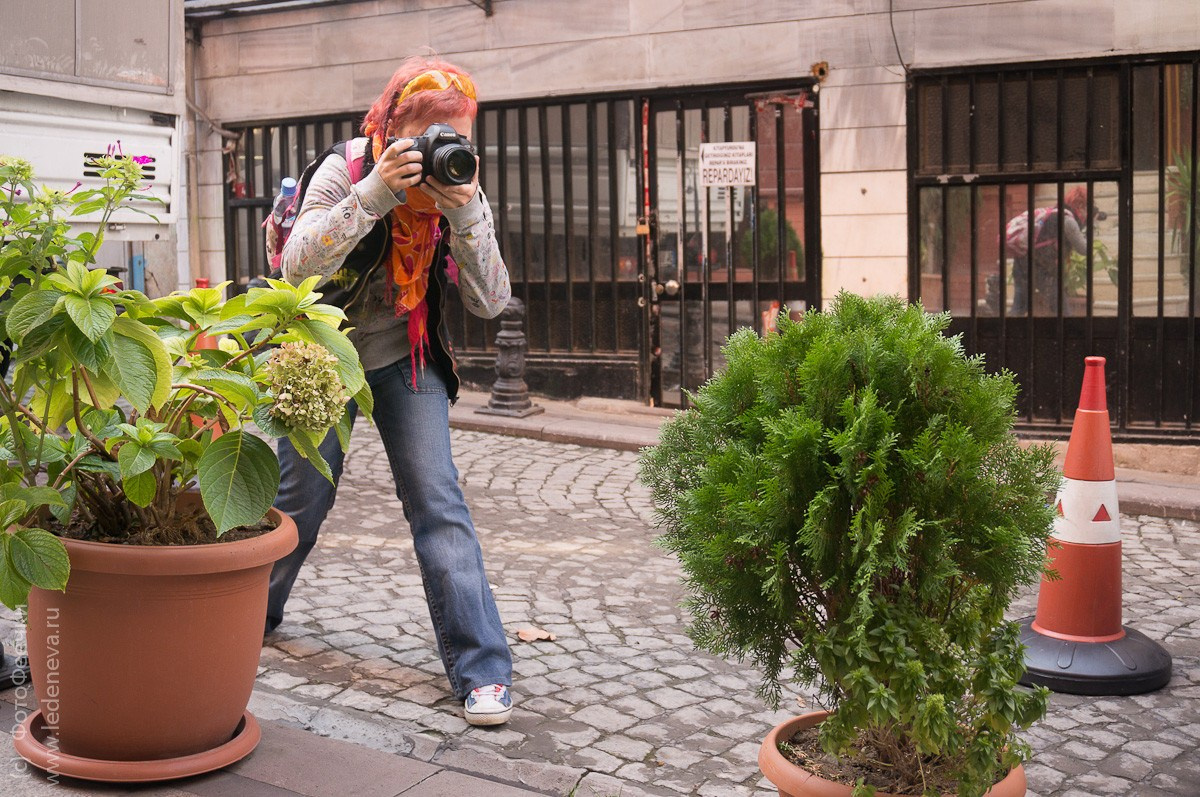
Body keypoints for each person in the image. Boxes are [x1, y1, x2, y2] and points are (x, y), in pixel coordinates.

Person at [266, 56, 515, 727]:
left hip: (408, 354)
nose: (442, 150)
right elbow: (295, 265)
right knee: (300, 499)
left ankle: (483, 669)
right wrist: (375, 192)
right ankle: (250, 613)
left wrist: (467, 215)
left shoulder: (456, 188)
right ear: (392, 127)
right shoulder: (346, 169)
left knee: (438, 500)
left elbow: (492, 302)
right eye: (428, 135)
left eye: (456, 136)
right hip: (325, 355)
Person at [1006, 186, 1102, 315]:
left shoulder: (1055, 214)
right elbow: (1084, 250)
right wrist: (1092, 224)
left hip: (1022, 261)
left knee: (1018, 309)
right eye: (1087, 208)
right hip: (1042, 269)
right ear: (1080, 206)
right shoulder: (1068, 221)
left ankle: (1005, 328)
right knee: (1063, 311)